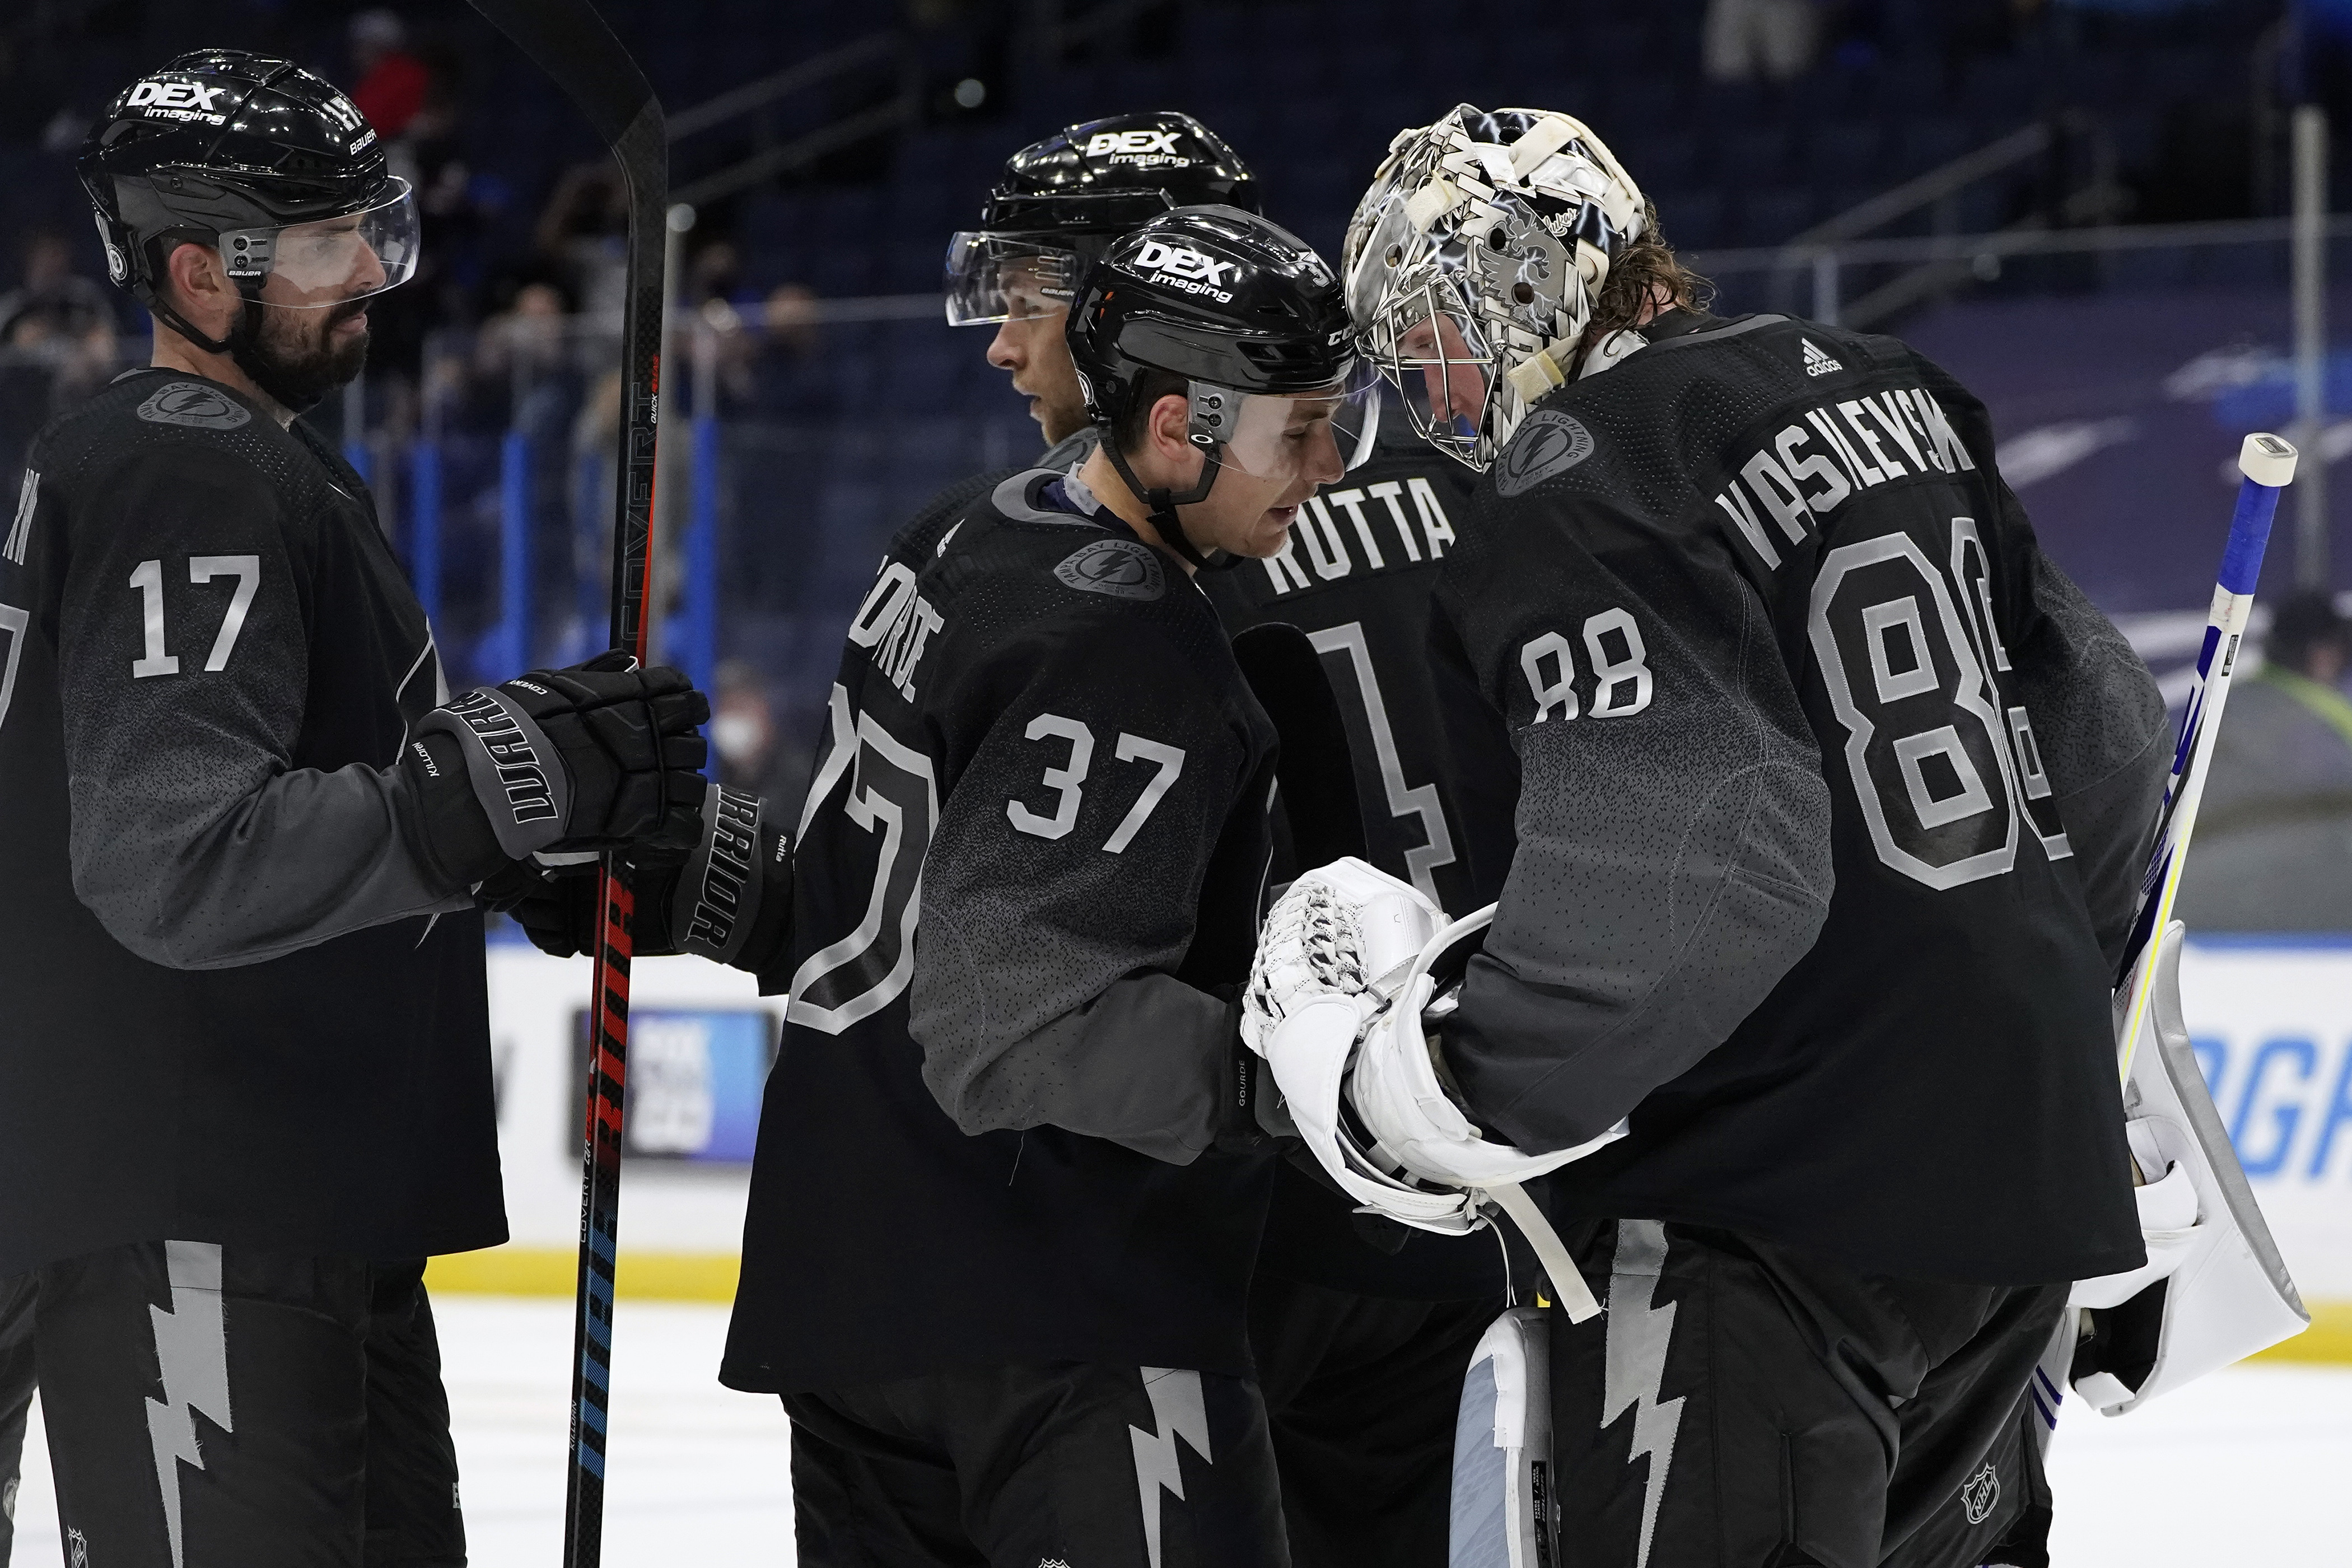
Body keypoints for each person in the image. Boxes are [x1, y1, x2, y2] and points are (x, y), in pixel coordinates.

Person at [1250, 104, 2172, 1568]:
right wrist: (2039, 1022)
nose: (1435, 399)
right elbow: (2111, 734)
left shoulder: (1584, 472)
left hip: (1770, 1204)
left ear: (1522, 278)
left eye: (1431, 340)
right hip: (2019, 1180)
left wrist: (1428, 1090)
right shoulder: (1881, 390)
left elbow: (1692, 850)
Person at [0, 50, 708, 1567]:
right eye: (327, 246)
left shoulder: (263, 469)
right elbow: (175, 862)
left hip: (292, 1209)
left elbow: (333, 804)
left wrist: (515, 838)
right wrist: (480, 792)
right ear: (196, 272)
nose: (371, 277)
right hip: (200, 1205)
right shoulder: (184, 470)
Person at [726, 205, 1359, 1567]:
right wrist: (1301, 1077)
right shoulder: (1136, 645)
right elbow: (1011, 1022)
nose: (1329, 465)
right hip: (1067, 1308)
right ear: (1183, 425)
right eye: (1298, 428)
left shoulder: (953, 538)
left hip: (847, 1287)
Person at [2175, 587, 2352, 931]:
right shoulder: (2320, 723)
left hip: (2197, 904)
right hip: (2294, 913)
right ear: (2321, 654)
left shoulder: (2229, 702)